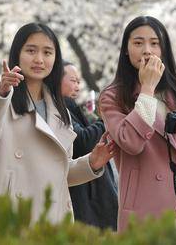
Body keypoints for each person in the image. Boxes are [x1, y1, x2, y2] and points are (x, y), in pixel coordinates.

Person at [0, 23, 115, 229]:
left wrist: (91, 163)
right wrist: (1, 92)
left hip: (53, 221)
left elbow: (58, 174)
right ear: (17, 54)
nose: (39, 59)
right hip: (11, 221)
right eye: (31, 50)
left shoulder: (60, 110)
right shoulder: (0, 100)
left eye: (47, 52)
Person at [99, 16, 176, 232]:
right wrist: (147, 89)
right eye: (138, 43)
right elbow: (131, 142)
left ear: (164, 49)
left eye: (154, 43)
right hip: (145, 209)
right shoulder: (112, 97)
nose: (147, 50)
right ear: (126, 49)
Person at [61, 63, 118, 230]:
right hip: (85, 200)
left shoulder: (71, 108)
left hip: (93, 195)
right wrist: (107, 118)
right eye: (73, 81)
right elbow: (83, 141)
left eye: (79, 82)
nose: (78, 87)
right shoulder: (58, 110)